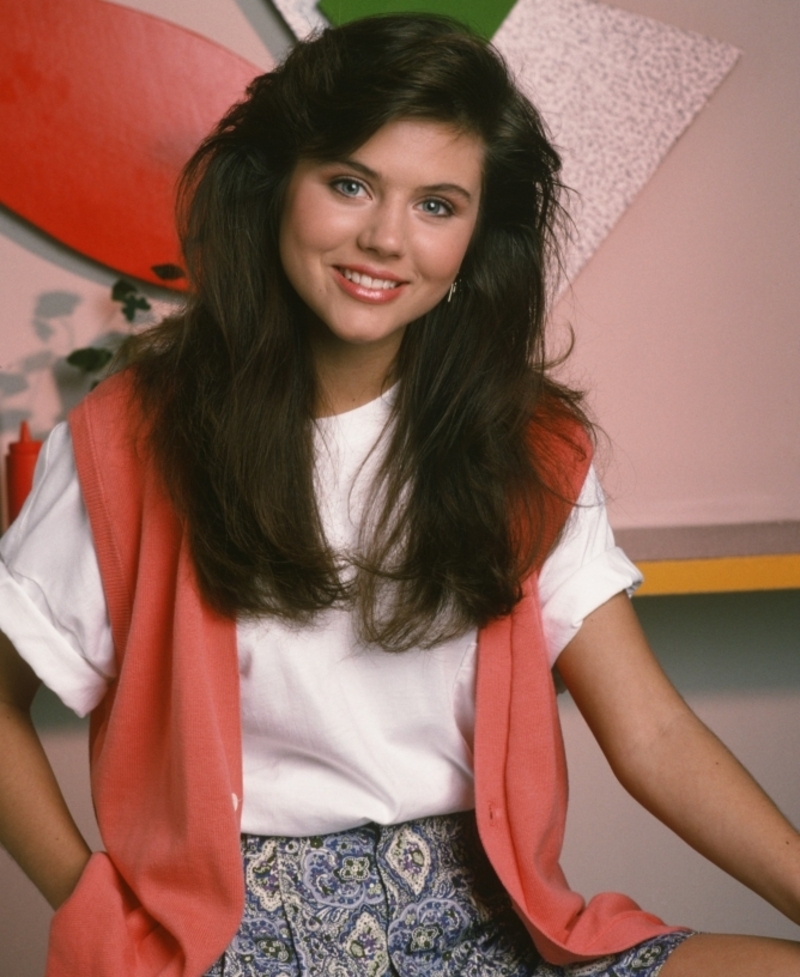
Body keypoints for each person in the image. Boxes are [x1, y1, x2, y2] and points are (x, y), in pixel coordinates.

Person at [0, 14, 799, 977]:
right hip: (235, 948)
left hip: (488, 935)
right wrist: (94, 906)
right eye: (350, 183)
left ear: (475, 239)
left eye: (437, 205)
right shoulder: (134, 443)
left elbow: (655, 734)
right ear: (277, 189)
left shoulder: (526, 449)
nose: (385, 238)